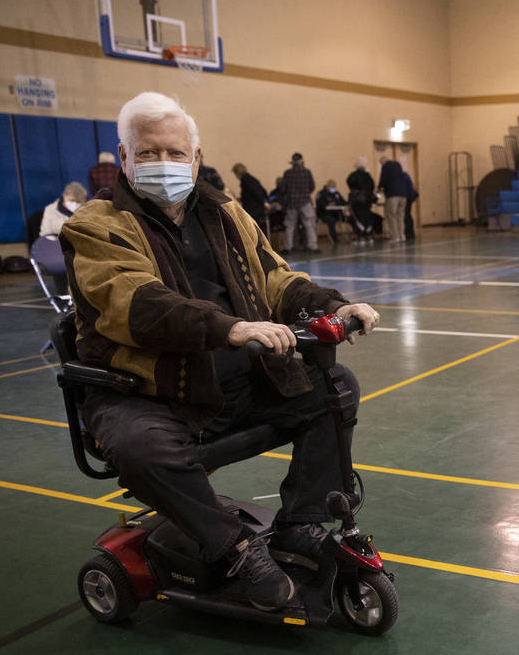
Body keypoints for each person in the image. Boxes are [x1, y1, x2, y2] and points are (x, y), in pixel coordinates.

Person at [59, 91, 379, 612]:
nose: (164, 163)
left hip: (236, 385)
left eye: (175, 152)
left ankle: (298, 522)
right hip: (148, 394)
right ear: (123, 158)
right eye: (148, 153)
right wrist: (228, 328)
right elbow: (136, 303)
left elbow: (275, 277)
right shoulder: (95, 226)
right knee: (140, 448)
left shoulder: (227, 213)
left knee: (335, 388)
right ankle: (235, 547)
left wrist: (333, 306)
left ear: (196, 158)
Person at [280, 152, 320, 254]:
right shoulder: (307, 172)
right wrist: (304, 193)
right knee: (309, 225)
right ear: (302, 161)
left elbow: (283, 188)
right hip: (305, 202)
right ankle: (313, 246)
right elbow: (312, 186)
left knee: (290, 226)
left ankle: (287, 248)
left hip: (291, 202)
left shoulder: (287, 173)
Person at [347, 157, 380, 242]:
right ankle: (368, 235)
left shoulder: (353, 175)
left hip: (358, 200)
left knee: (358, 217)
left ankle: (360, 236)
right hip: (368, 200)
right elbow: (372, 186)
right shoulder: (368, 176)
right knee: (367, 216)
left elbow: (349, 183)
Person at [232, 163, 269, 231]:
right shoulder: (252, 179)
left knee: (254, 230)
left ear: (237, 173)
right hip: (258, 209)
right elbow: (262, 191)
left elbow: (255, 192)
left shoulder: (245, 180)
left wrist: (264, 203)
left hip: (254, 210)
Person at [379, 158, 409, 243]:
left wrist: (378, 189)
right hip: (403, 195)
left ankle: (395, 237)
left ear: (382, 162)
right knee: (400, 216)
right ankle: (402, 235)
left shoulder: (385, 166)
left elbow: (383, 180)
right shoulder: (398, 166)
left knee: (391, 215)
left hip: (392, 195)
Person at [315, 179, 347, 245]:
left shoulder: (336, 193)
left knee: (348, 218)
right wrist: (327, 205)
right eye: (332, 187)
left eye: (334, 187)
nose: (333, 188)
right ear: (327, 186)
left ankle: (348, 237)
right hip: (324, 214)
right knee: (332, 221)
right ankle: (334, 239)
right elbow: (319, 205)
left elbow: (343, 202)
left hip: (336, 213)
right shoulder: (321, 194)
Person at [403, 171, 417, 242]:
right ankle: (410, 233)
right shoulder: (405, 175)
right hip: (409, 197)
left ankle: (408, 233)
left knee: (406, 216)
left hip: (407, 198)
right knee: (408, 215)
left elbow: (410, 188)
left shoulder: (403, 176)